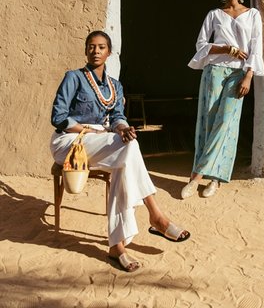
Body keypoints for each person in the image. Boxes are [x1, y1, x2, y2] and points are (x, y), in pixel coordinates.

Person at [50, 30, 190, 272]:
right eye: (91, 47)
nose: (96, 51)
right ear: (85, 51)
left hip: (103, 142)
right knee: (128, 151)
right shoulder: (73, 78)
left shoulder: (115, 86)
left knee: (126, 157)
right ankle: (156, 215)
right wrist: (90, 131)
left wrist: (123, 129)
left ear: (109, 52)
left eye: (101, 47)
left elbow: (117, 117)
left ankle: (117, 247)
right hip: (71, 141)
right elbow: (58, 117)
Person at [181, 0, 264, 199]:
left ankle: (199, 176)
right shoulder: (214, 15)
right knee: (208, 123)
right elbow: (201, 45)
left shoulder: (253, 15)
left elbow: (255, 47)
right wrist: (226, 49)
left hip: (238, 74)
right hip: (214, 73)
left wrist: (249, 76)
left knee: (225, 124)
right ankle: (214, 180)